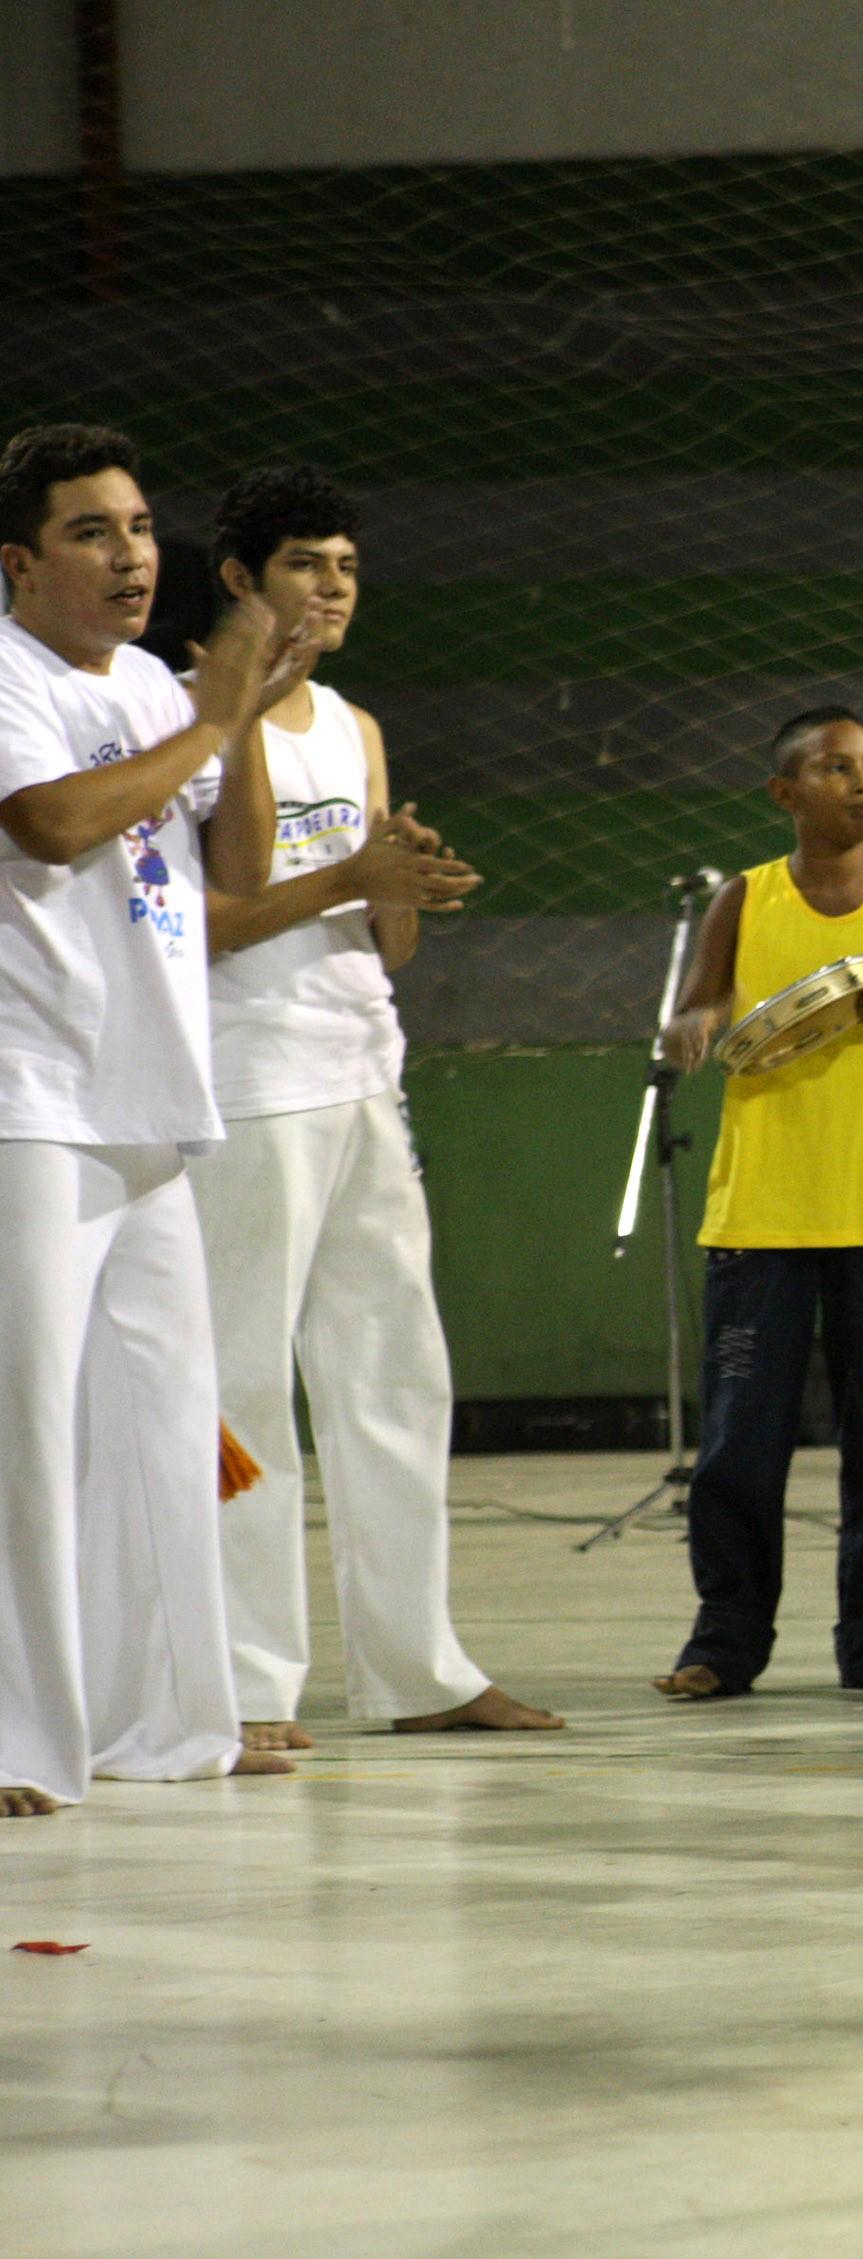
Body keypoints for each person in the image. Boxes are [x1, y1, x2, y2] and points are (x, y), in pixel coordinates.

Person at [187, 465, 560, 1750]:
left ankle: (420, 1670)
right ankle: (239, 1683)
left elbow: (380, 937)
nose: (332, 588)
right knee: (243, 1381)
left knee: (396, 1370)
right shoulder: (203, 714)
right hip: (250, 1077)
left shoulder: (352, 723)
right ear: (241, 581)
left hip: (360, 1066)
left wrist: (405, 883)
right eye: (305, 564)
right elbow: (222, 921)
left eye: (345, 566)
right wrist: (354, 867)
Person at [0, 421, 311, 1816]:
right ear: (19, 561)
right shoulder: (6, 675)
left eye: (137, 527)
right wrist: (215, 717)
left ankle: (168, 1720)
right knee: (27, 1435)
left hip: (146, 1100)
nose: (131, 555)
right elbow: (54, 825)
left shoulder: (143, 678)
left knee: (167, 1426)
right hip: (30, 1098)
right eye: (91, 532)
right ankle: (12, 1737)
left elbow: (234, 863)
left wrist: (241, 713)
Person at [652, 707, 863, 1702]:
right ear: (787, 795)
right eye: (838, 770)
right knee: (739, 1446)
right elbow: (698, 1010)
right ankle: (724, 1643)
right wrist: (691, 1028)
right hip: (760, 1218)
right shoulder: (742, 902)